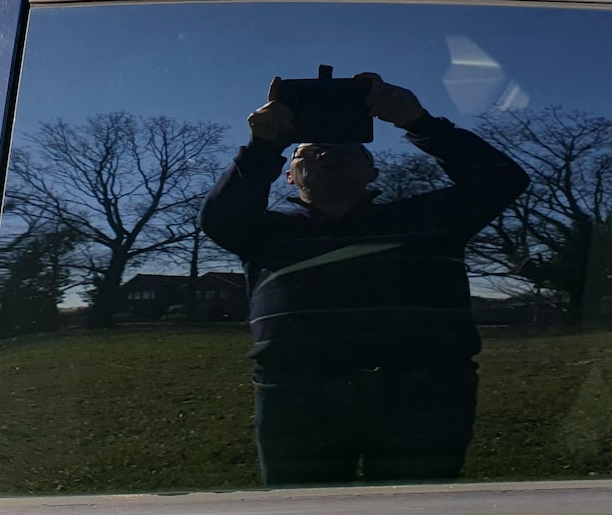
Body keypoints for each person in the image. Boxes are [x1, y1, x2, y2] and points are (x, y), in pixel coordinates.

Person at [200, 73, 529, 486]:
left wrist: (419, 122)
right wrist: (263, 146)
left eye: (346, 148)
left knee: (414, 514)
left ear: (373, 172)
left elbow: (502, 181)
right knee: (302, 514)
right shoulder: (264, 234)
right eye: (308, 151)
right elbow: (220, 218)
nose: (326, 154)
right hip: (296, 393)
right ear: (288, 175)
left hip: (424, 390)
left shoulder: (428, 220)